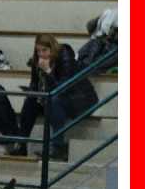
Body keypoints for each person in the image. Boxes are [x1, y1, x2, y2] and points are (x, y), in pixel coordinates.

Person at [9, 33, 93, 161]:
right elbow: (34, 83)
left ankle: (58, 147)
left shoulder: (65, 55)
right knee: (30, 101)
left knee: (54, 101)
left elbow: (63, 88)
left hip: (76, 98)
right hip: (51, 97)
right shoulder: (37, 60)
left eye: (44, 50)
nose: (41, 54)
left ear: (52, 49)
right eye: (38, 51)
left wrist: (48, 71)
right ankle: (22, 144)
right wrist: (31, 92)